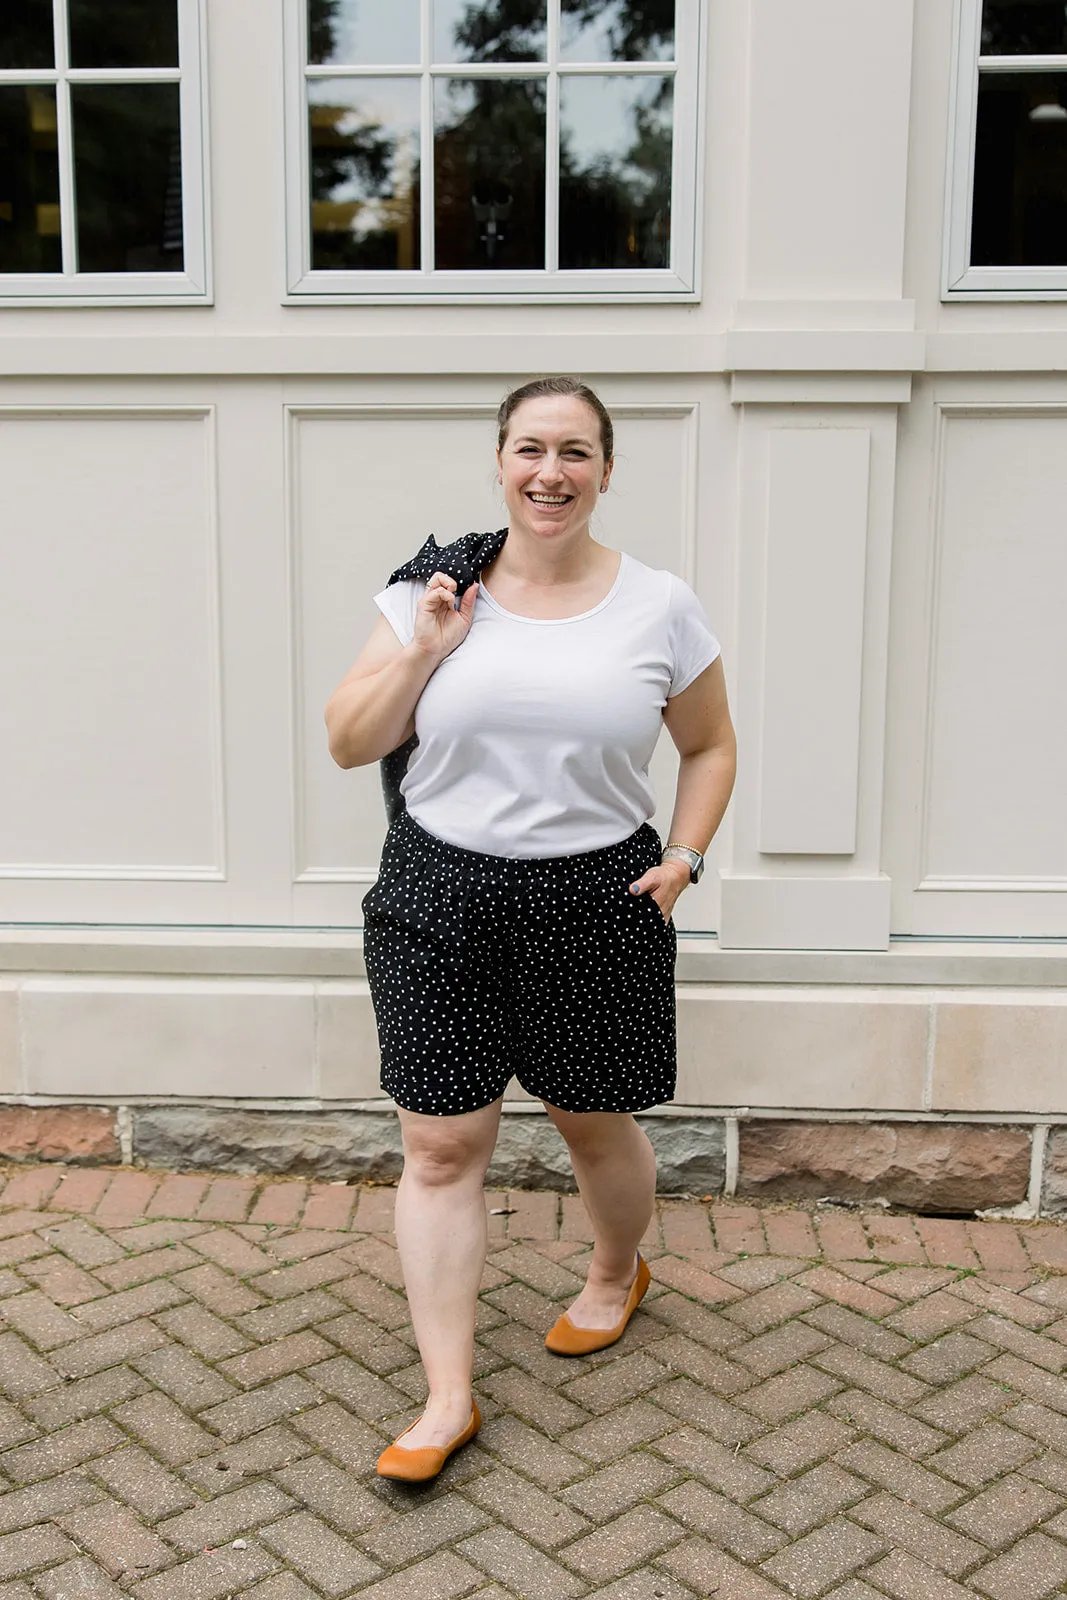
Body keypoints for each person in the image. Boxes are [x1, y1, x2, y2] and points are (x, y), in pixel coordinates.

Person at [325, 376, 736, 1482]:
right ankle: (446, 1397)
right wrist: (423, 649)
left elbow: (709, 746)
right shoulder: (429, 591)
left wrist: (683, 858)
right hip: (436, 897)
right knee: (441, 1143)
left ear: (606, 470)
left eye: (573, 451)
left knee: (592, 1124)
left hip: (594, 899)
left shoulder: (656, 605)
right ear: (499, 461)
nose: (548, 471)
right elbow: (346, 740)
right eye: (528, 448)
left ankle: (613, 1273)